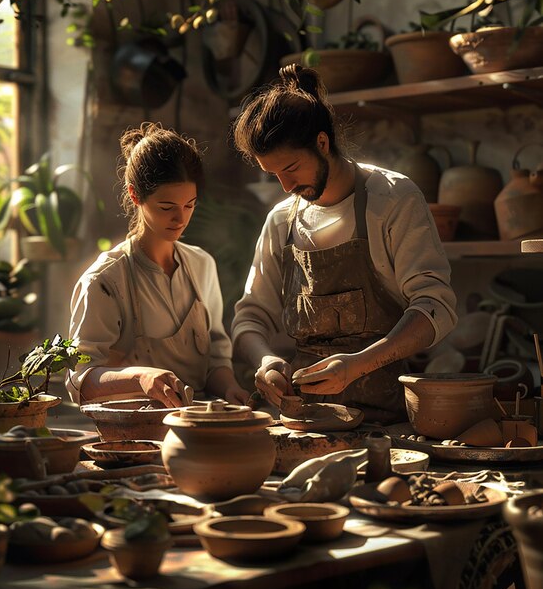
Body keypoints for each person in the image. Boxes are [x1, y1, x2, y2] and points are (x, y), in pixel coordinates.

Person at [230, 65, 458, 424]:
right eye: (273, 175)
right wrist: (265, 360)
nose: (285, 186)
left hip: (390, 419)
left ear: (322, 143)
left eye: (291, 168)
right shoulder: (281, 220)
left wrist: (358, 365)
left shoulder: (393, 199)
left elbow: (435, 307)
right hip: (307, 419)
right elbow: (250, 317)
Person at [66, 122, 250, 408]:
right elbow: (80, 380)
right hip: (132, 430)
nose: (180, 219)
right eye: (166, 207)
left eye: (189, 205)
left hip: (196, 422)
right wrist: (140, 379)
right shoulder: (105, 281)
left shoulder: (201, 265)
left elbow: (215, 359)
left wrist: (229, 389)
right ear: (134, 195)